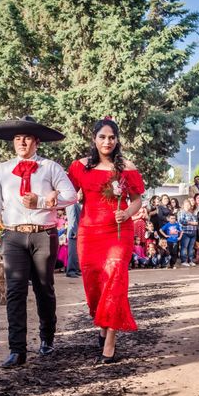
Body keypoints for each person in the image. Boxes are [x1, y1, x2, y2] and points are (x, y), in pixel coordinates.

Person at [0, 115, 77, 368]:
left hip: (44, 234)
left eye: (26, 138)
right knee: (14, 292)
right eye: (17, 138)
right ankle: (17, 349)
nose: (21, 142)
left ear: (36, 141)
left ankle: (47, 337)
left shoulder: (51, 168)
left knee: (44, 289)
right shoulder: (3, 170)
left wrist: (45, 202)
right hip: (13, 235)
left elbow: (71, 196)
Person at [68, 118, 145, 364]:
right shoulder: (79, 167)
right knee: (94, 286)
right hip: (89, 233)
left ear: (117, 140)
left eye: (111, 137)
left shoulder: (126, 166)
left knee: (115, 280)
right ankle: (102, 326)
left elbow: (137, 200)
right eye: (102, 137)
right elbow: (65, 193)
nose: (107, 141)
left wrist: (128, 213)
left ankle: (109, 342)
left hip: (118, 232)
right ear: (94, 139)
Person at [65, 193, 82, 278]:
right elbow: (72, 219)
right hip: (73, 232)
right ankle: (71, 271)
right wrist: (75, 231)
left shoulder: (77, 204)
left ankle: (75, 269)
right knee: (72, 253)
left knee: (76, 253)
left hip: (77, 231)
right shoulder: (71, 204)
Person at [178, 198, 199, 267]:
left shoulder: (191, 213)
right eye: (186, 205)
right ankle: (183, 261)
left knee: (191, 248)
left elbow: (196, 222)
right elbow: (181, 221)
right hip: (185, 232)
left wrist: (193, 223)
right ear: (183, 205)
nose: (187, 206)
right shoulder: (181, 212)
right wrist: (191, 222)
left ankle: (190, 260)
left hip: (193, 232)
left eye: (188, 205)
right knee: (184, 247)